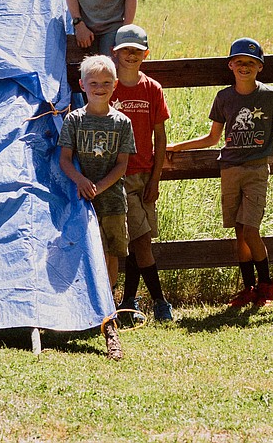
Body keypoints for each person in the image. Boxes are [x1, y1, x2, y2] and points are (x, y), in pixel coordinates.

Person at [166, 37, 273, 307]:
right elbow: (213, 138)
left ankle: (267, 285)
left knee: (251, 230)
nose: (244, 67)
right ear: (231, 65)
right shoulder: (224, 97)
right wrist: (178, 146)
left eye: (251, 62)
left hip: (256, 169)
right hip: (231, 169)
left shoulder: (269, 96)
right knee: (239, 231)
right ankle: (248, 289)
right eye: (239, 62)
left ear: (260, 67)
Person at [58, 54, 136, 360]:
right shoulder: (74, 120)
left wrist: (99, 186)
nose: (100, 88)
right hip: (81, 199)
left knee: (113, 252)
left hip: (112, 199)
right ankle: (89, 306)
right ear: (82, 85)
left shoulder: (122, 123)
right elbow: (64, 159)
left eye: (106, 83)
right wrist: (80, 181)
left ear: (115, 85)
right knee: (90, 249)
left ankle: (109, 307)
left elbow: (122, 165)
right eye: (93, 83)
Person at [110, 24, 174, 322]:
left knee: (139, 241)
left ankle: (129, 302)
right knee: (142, 239)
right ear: (115, 54)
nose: (131, 56)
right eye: (126, 51)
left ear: (145, 54)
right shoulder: (108, 87)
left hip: (145, 176)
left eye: (137, 51)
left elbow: (160, 137)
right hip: (117, 176)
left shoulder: (152, 89)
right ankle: (159, 303)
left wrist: (156, 177)